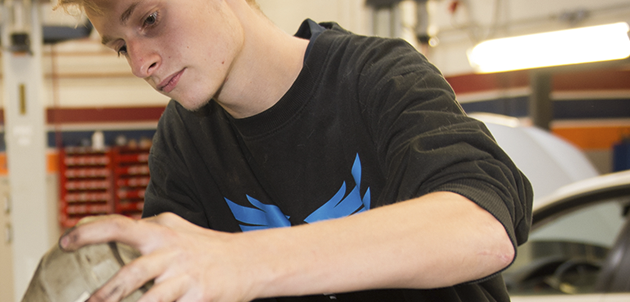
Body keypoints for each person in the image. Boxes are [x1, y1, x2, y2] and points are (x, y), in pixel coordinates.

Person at [45, 0, 533, 301]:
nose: (140, 64)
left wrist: (240, 261)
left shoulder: (375, 74)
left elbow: (480, 228)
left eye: (149, 19)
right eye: (120, 47)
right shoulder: (183, 140)